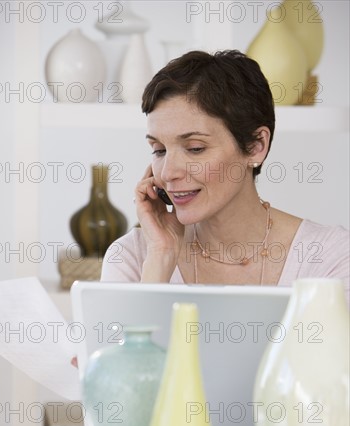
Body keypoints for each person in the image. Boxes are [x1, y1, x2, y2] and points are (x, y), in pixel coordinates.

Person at [100, 49, 349, 300]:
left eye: (195, 148)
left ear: (255, 146)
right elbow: (122, 339)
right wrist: (161, 255)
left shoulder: (329, 257)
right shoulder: (133, 257)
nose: (168, 173)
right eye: (159, 150)